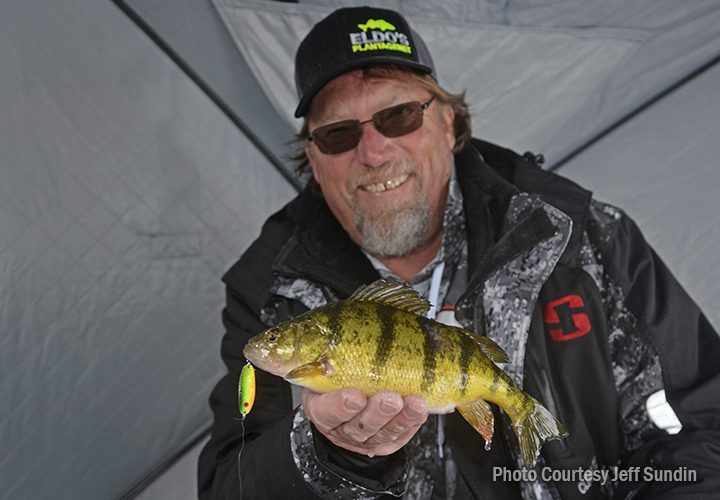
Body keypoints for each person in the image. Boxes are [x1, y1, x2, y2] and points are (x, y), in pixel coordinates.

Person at [198, 6, 720, 499]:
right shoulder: (266, 291)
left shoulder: (583, 239)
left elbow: (701, 425)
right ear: (313, 158)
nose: (374, 152)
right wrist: (329, 454)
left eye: (399, 114)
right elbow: (229, 485)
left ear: (449, 123)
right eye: (338, 133)